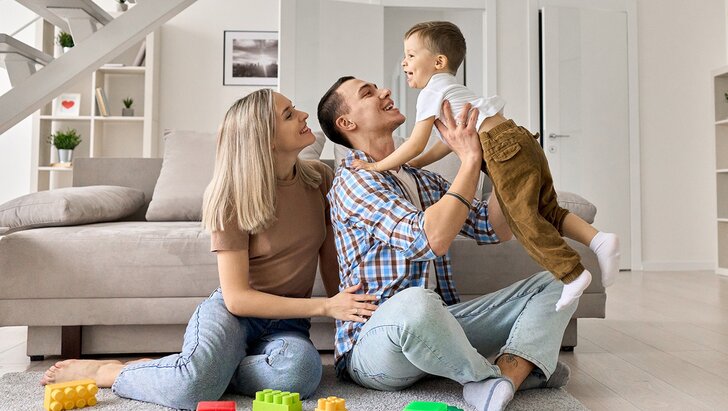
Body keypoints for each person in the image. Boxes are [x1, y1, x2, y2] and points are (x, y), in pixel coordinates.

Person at [40, 89, 378, 410]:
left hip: (288, 325)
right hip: (233, 317)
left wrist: (348, 315)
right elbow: (237, 299)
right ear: (266, 139)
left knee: (300, 373)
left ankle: (196, 370)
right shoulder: (231, 197)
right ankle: (113, 372)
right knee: (192, 391)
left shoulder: (319, 178)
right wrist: (325, 307)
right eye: (289, 115)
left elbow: (331, 259)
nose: (303, 115)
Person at [318, 75, 579, 411]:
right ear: (346, 123)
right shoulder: (354, 180)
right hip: (374, 344)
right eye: (368, 93)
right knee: (415, 303)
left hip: (440, 327)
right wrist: (468, 161)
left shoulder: (419, 178)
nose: (385, 91)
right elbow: (429, 240)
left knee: (561, 281)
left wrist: (504, 162)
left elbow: (493, 228)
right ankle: (496, 376)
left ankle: (508, 376)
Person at [352, 21, 619, 310]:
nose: (404, 62)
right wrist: (415, 164)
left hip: (501, 148)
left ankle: (572, 273)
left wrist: (377, 167)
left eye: (411, 55)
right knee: (547, 209)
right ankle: (599, 241)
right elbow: (446, 142)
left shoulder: (430, 93)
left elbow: (416, 142)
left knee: (522, 219)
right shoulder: (451, 89)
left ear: (438, 62)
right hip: (519, 138)